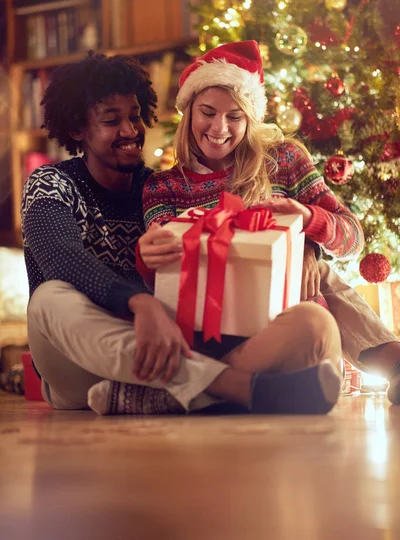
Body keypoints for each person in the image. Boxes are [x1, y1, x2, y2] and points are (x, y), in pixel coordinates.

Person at [21, 51, 343, 417]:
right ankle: (231, 386)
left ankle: (174, 396)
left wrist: (306, 246)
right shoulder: (52, 184)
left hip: (159, 354)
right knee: (49, 297)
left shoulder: (155, 186)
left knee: (313, 308)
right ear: (78, 128)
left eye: (135, 116)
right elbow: (62, 261)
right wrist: (140, 303)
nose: (130, 130)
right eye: (112, 121)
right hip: (81, 359)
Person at [137, 40, 400, 405]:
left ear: (250, 119)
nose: (219, 128)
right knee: (317, 273)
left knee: (318, 270)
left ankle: (388, 361)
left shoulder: (284, 159)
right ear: (188, 112)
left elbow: (352, 238)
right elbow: (162, 278)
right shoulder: (163, 186)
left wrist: (307, 224)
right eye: (208, 112)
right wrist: (149, 251)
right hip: (220, 343)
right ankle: (388, 360)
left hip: (293, 328)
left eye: (234, 117)